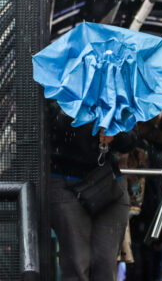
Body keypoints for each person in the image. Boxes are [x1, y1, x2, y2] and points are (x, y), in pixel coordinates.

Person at [49, 100, 137, 281]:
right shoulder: (60, 83)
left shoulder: (116, 85)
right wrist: (93, 125)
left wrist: (116, 132)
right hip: (67, 182)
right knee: (77, 265)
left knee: (104, 265)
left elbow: (131, 138)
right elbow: (55, 126)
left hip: (108, 185)